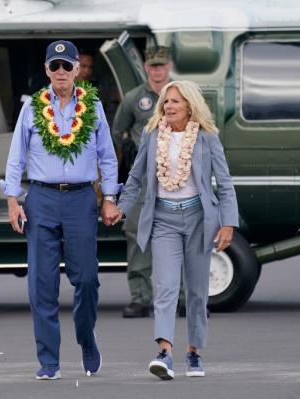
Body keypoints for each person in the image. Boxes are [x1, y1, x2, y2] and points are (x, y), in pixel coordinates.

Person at [0, 40, 120, 380]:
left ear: (78, 70)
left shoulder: (92, 106)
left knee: (87, 279)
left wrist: (109, 197)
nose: (62, 72)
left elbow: (107, 156)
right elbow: (15, 157)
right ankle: (49, 360)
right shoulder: (33, 106)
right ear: (47, 70)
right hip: (41, 198)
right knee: (42, 283)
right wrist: (12, 199)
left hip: (81, 199)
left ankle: (86, 337)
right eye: (56, 66)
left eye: (68, 66)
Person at [104, 80, 238, 379]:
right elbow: (136, 177)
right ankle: (164, 352)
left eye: (175, 101)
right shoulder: (152, 136)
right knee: (164, 287)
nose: (169, 106)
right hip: (163, 219)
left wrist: (229, 222)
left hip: (198, 219)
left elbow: (225, 183)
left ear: (190, 105)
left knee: (196, 292)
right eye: (166, 101)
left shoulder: (207, 137)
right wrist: (121, 207)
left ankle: (194, 353)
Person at [111, 45, 185, 318]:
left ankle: (185, 298)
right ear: (145, 67)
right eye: (152, 65)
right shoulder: (134, 98)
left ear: (169, 66)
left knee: (181, 236)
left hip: (178, 178)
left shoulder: (183, 96)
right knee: (137, 235)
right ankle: (141, 298)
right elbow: (118, 131)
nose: (157, 70)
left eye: (161, 65)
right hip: (144, 179)